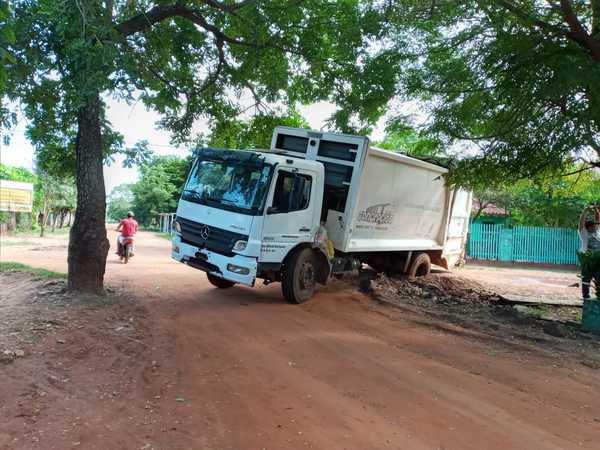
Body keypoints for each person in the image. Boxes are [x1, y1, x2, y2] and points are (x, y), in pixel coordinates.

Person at [578, 205, 600, 299]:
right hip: (587, 260)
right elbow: (581, 222)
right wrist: (585, 210)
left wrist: (595, 209)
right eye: (594, 225)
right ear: (589, 227)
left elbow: (598, 218)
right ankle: (586, 297)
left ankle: (598, 297)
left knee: (599, 279)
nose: (596, 226)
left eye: (596, 225)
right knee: (586, 279)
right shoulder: (584, 233)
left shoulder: (598, 232)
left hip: (598, 260)